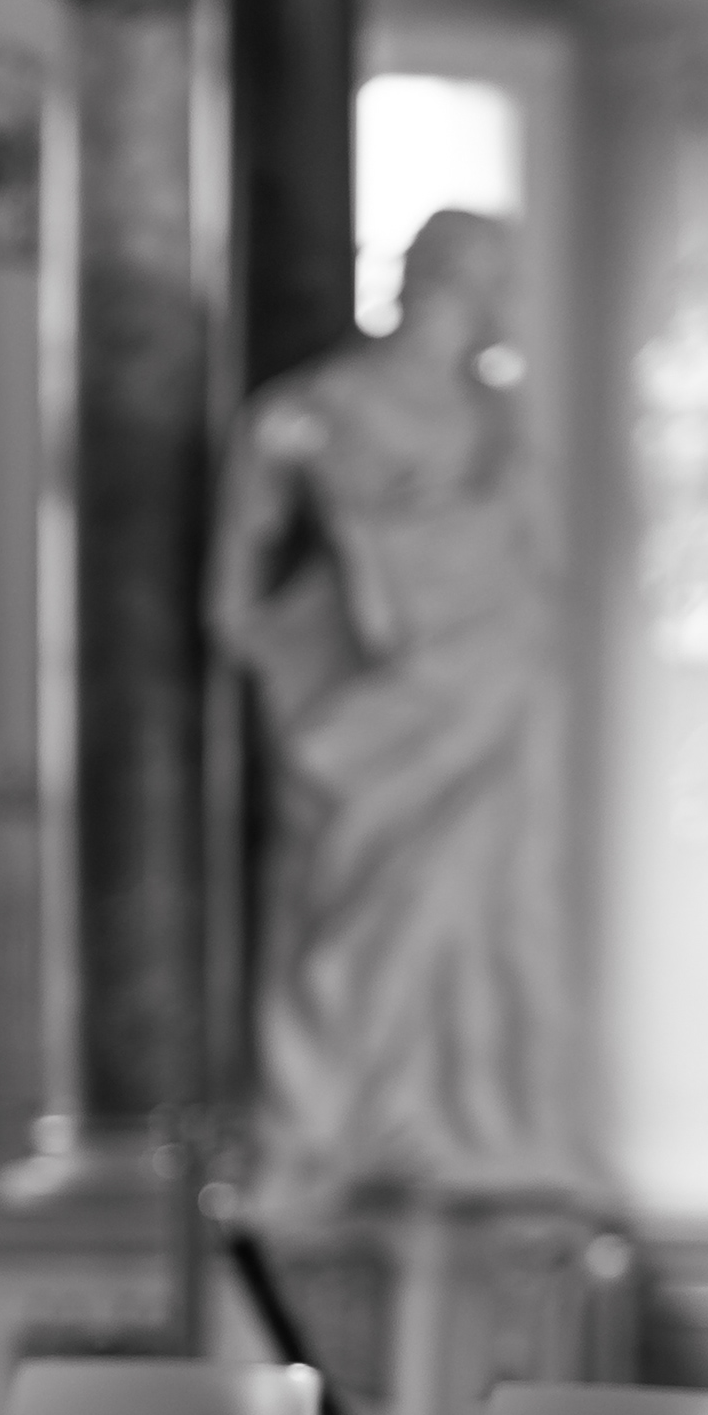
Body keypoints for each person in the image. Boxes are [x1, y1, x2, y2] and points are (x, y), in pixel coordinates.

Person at [209, 204, 583, 1216]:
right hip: (384, 703)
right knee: (358, 913)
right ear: (437, 284)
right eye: (484, 281)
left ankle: (470, 1113)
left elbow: (542, 568)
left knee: (485, 911)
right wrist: (261, 622)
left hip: (496, 690)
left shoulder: (502, 422)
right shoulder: (320, 408)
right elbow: (237, 563)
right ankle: (331, 1121)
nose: (493, 305)